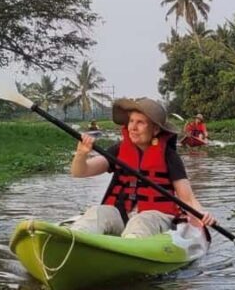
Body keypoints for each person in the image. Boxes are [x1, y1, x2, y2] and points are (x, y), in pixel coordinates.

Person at [69, 97, 216, 238]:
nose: (133, 127)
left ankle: (130, 245)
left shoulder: (169, 156)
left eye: (140, 122)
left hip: (157, 217)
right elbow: (80, 172)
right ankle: (74, 238)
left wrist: (202, 214)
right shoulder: (119, 150)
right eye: (131, 121)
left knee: (141, 220)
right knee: (98, 212)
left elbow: (188, 199)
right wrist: (81, 154)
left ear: (155, 129)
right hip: (122, 215)